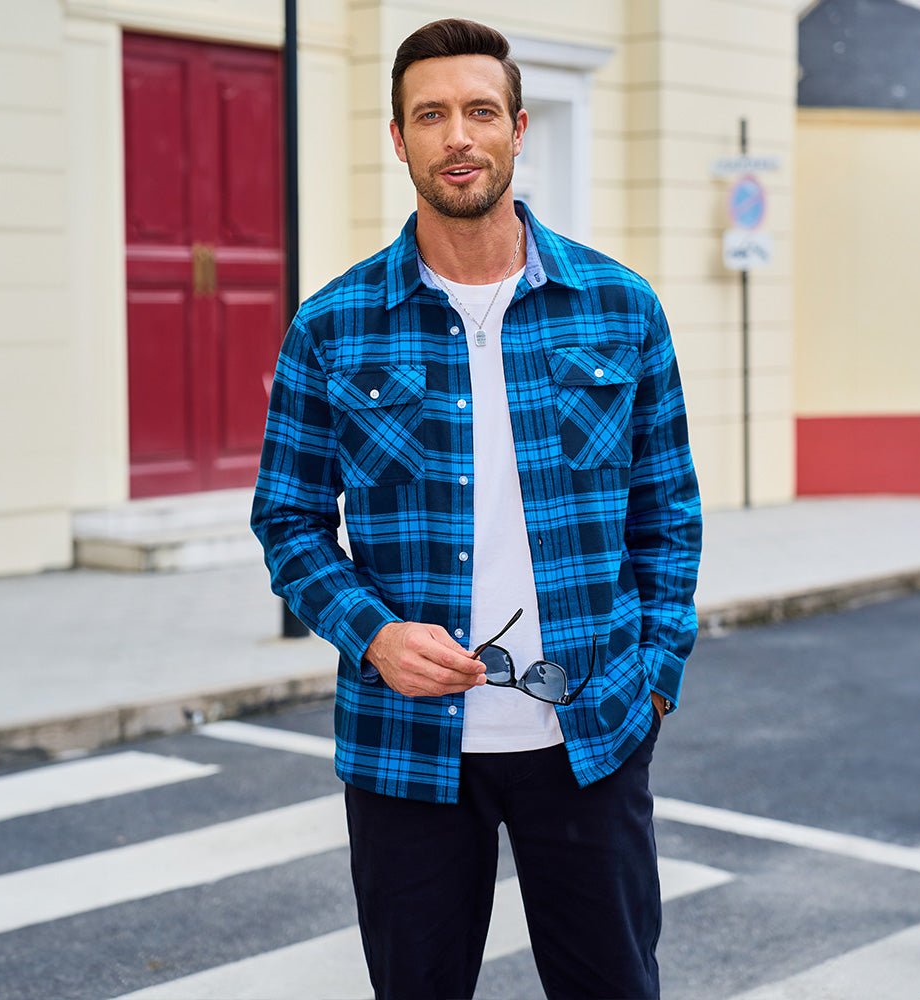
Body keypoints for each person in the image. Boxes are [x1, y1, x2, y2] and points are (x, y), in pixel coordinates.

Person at [252, 17, 701, 1000]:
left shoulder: (620, 307)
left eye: (479, 111)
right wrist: (373, 635)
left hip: (589, 734)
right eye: (430, 115)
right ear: (398, 138)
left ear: (517, 128)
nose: (457, 136)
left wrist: (655, 676)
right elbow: (288, 522)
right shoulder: (332, 326)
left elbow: (668, 513)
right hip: (405, 747)